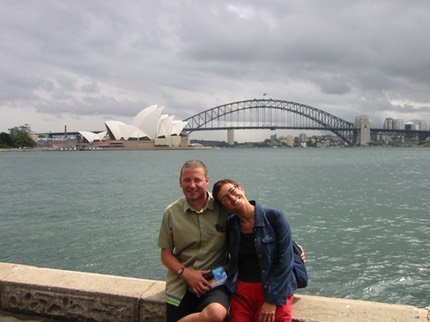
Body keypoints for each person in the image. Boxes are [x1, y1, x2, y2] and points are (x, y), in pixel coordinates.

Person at [212, 179, 298, 322]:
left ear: (241, 188)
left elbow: (285, 260)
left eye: (232, 191)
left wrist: (272, 300)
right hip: (242, 293)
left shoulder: (273, 216)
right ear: (224, 207)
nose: (232, 198)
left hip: (272, 288)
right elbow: (229, 261)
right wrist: (208, 276)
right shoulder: (231, 225)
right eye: (225, 199)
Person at [157, 160, 230, 322]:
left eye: (197, 180)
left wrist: (291, 247)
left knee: (216, 314)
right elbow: (166, 255)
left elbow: (251, 224)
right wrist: (187, 273)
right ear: (180, 182)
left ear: (207, 181)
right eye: (187, 180)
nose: (192, 185)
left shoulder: (223, 209)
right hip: (182, 284)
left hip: (216, 282)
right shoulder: (171, 213)